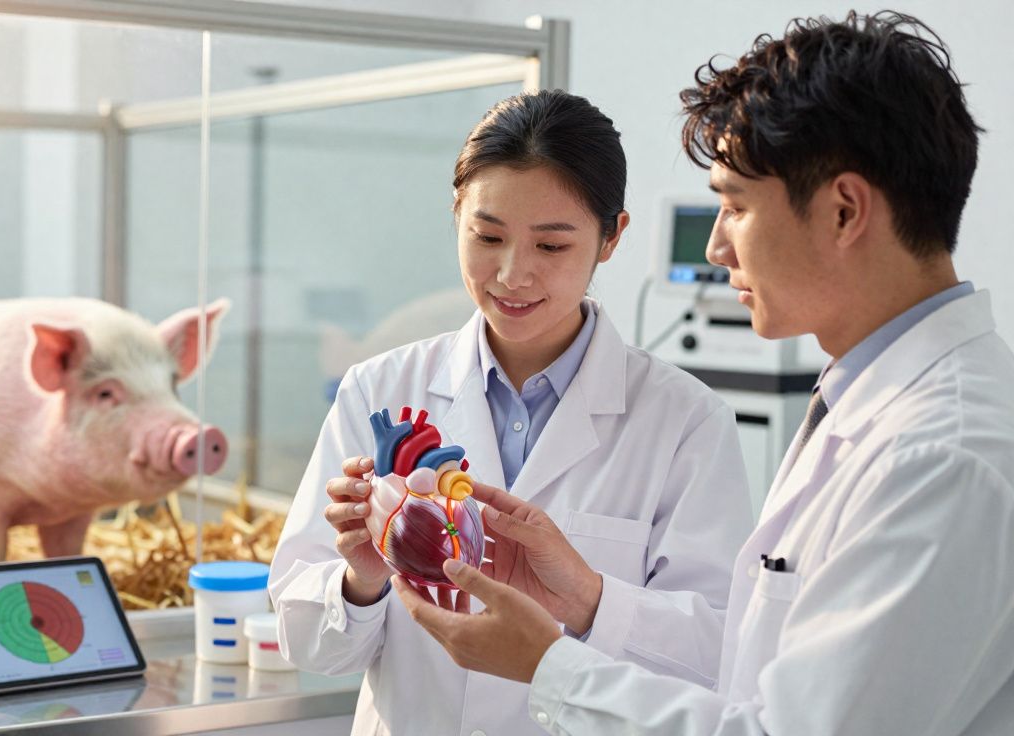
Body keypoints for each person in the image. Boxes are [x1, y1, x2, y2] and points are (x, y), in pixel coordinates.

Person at [396, 12, 1014, 735]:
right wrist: (592, 603)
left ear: (844, 210)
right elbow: (756, 674)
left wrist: (548, 669)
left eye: (735, 205)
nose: (716, 247)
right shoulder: (868, 406)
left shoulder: (941, 457)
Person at [268, 90, 754, 735]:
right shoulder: (378, 389)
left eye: (551, 247)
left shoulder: (685, 421)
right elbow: (310, 647)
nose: (512, 274)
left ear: (611, 238)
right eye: (487, 236)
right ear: (456, 218)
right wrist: (359, 582)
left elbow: (719, 654)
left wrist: (589, 598)